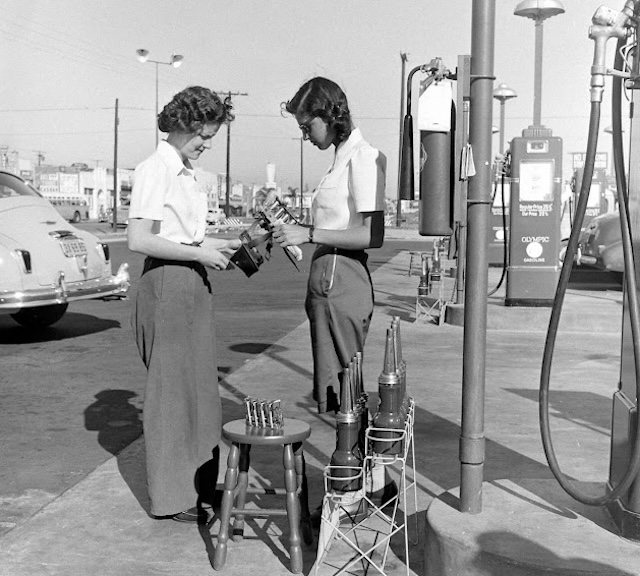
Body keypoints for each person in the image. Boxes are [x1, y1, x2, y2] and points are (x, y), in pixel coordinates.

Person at [273, 77, 393, 513]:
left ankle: (365, 486)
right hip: (331, 272)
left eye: (308, 126)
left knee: (348, 388)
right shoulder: (341, 159)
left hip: (342, 277)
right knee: (341, 387)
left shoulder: (362, 158)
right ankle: (364, 481)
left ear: (330, 115)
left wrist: (308, 234)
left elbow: (372, 233)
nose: (306, 136)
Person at [128, 86, 241, 522]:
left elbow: (185, 236)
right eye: (202, 136)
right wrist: (199, 253)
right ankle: (172, 498)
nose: (206, 144)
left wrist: (221, 246)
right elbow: (140, 239)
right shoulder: (155, 169)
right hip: (167, 283)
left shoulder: (186, 172)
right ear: (181, 125)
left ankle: (197, 487)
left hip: (191, 282)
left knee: (197, 392)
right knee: (171, 395)